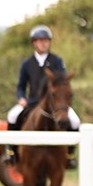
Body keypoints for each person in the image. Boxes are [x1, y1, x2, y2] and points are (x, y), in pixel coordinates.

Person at [7, 24, 82, 167]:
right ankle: (12, 152)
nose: (43, 43)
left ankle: (70, 155)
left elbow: (63, 81)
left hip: (55, 103)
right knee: (12, 115)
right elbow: (21, 85)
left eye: (46, 40)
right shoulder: (27, 64)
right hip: (32, 101)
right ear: (34, 43)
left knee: (75, 121)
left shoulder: (57, 61)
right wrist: (21, 98)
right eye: (40, 40)